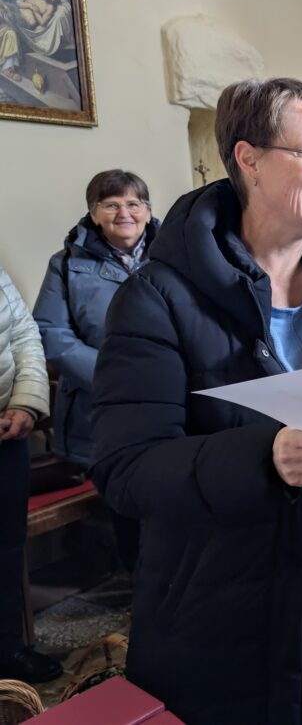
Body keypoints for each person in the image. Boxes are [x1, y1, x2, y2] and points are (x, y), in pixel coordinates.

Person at [90, 78, 302, 724]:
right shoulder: (157, 297)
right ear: (248, 159)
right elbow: (126, 468)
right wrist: (264, 458)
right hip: (223, 606)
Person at [33, 169, 158, 571]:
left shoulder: (176, 255)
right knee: (125, 507)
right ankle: (139, 593)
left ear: (148, 210)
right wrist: (113, 378)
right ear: (93, 213)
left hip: (168, 397)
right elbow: (51, 332)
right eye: (111, 204)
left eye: (134, 203)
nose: (125, 213)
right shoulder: (66, 264)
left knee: (173, 498)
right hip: (101, 406)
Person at [0, 265, 62, 684]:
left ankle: (8, 649)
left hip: (7, 435)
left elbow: (23, 334)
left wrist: (24, 403)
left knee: (6, 548)